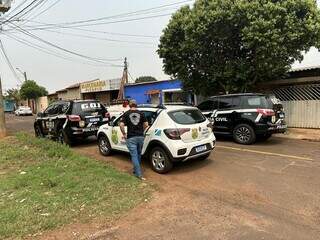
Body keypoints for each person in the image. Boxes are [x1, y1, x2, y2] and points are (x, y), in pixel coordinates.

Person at [120, 99, 149, 180]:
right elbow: (146, 124)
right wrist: (142, 130)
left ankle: (138, 174)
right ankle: (136, 170)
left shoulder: (126, 114)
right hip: (140, 137)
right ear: (136, 105)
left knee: (134, 156)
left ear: (129, 105)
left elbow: (121, 125)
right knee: (138, 155)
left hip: (131, 137)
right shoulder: (141, 113)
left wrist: (124, 134)